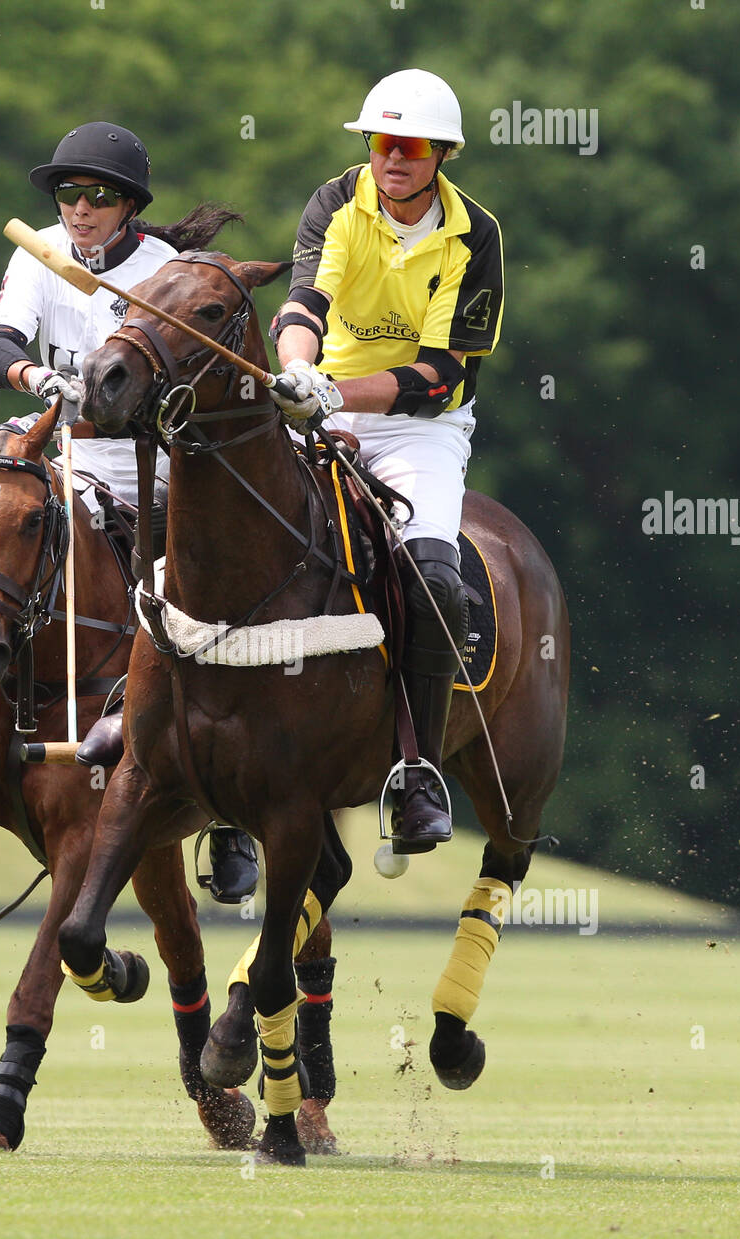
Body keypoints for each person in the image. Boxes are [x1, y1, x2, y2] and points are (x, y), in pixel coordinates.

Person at [0, 121, 257, 901]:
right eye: (70, 194)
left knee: (202, 605)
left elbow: (186, 388)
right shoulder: (39, 252)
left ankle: (228, 812)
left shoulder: (166, 271)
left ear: (130, 206)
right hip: (60, 458)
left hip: (150, 470)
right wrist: (41, 379)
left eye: (98, 197)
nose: (79, 209)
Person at [268, 69, 504, 854]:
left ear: (441, 154)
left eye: (406, 146)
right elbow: (307, 301)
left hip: (419, 427)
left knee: (435, 578)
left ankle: (418, 774)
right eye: (379, 142)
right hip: (319, 394)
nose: (389, 158)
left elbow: (441, 376)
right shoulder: (337, 200)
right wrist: (299, 369)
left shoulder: (476, 235)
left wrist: (336, 389)